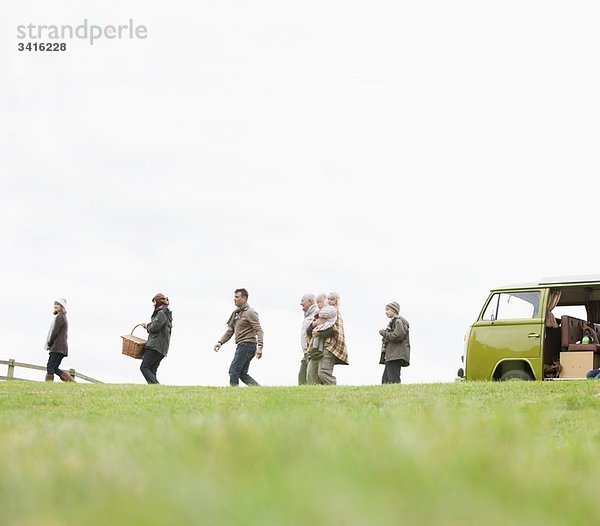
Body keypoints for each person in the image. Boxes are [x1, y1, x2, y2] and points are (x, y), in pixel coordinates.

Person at [214, 288, 264, 386]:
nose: (234, 299)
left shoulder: (250, 312)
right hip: (243, 345)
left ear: (244, 298)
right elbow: (230, 330)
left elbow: (259, 330)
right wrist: (220, 342)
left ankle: (233, 393)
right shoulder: (237, 313)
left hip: (247, 345)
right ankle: (259, 389)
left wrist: (260, 347)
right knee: (242, 374)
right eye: (234, 297)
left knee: (233, 371)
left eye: (237, 297)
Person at [307, 292, 348, 385]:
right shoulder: (318, 314)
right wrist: (314, 324)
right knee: (311, 374)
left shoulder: (336, 314)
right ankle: (316, 395)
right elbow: (308, 331)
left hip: (329, 346)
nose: (318, 304)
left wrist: (319, 333)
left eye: (320, 302)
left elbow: (334, 331)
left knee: (323, 373)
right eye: (328, 299)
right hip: (315, 348)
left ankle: (333, 389)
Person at [140, 293, 173, 384]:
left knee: (144, 367)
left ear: (158, 302)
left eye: (154, 302)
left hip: (155, 346)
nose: (154, 304)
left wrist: (147, 326)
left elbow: (154, 328)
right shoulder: (166, 313)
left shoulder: (161, 313)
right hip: (161, 348)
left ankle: (157, 386)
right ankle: (154, 390)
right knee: (152, 369)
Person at [379, 301, 410, 384]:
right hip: (392, 355)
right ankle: (386, 395)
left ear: (394, 310)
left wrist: (384, 333)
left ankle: (397, 395)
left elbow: (397, 336)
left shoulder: (399, 321)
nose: (386, 312)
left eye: (388, 309)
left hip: (396, 355)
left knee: (393, 378)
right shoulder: (393, 322)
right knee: (385, 380)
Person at [45, 298, 74, 382]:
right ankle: (71, 382)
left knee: (50, 366)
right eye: (55, 304)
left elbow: (55, 332)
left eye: (58, 304)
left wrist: (49, 343)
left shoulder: (60, 317)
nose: (55, 306)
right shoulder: (63, 317)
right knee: (55, 368)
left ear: (62, 307)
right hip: (62, 347)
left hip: (57, 346)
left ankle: (48, 384)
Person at [299, 293, 318, 385]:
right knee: (302, 376)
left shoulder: (316, 313)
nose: (300, 303)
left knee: (310, 377)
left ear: (309, 301)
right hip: (306, 351)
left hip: (312, 351)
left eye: (303, 300)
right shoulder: (308, 315)